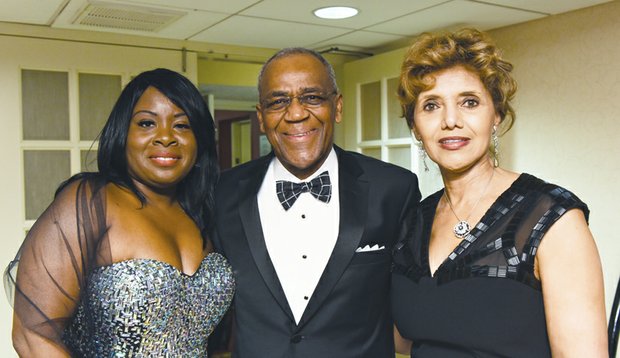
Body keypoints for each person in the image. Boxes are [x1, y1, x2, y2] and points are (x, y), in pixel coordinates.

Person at [391, 28, 608, 356]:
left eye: (469, 102)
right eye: (431, 105)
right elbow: (407, 337)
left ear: (497, 115)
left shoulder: (551, 218)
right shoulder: (413, 222)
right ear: (415, 127)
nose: (451, 120)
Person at [5, 68, 235, 356]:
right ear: (123, 133)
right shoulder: (90, 201)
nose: (165, 137)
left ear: (199, 139)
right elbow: (32, 334)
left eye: (182, 125)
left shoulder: (202, 213)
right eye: (147, 123)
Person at [211, 48, 421, 358]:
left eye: (311, 98)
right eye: (278, 101)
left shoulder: (393, 188)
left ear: (336, 107)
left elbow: (420, 310)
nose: (295, 113)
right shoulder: (222, 192)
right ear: (261, 116)